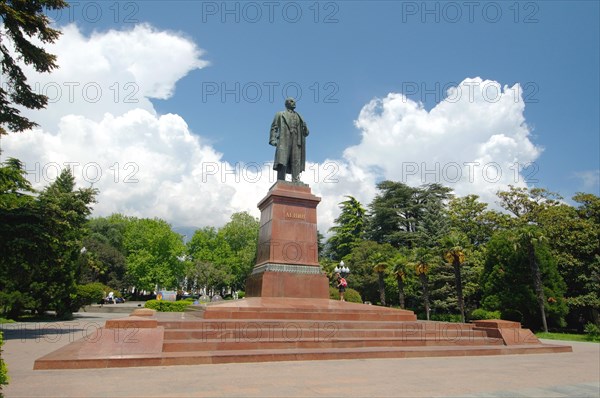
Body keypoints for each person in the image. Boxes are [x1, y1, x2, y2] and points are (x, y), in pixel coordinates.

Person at [269, 97, 309, 183]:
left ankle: (295, 179)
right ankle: (281, 179)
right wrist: (273, 139)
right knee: (282, 160)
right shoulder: (280, 114)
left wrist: (305, 128)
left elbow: (306, 133)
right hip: (284, 140)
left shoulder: (299, 117)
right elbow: (274, 127)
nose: (294, 103)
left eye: (294, 101)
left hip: (296, 140)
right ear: (286, 103)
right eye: (291, 101)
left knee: (296, 159)